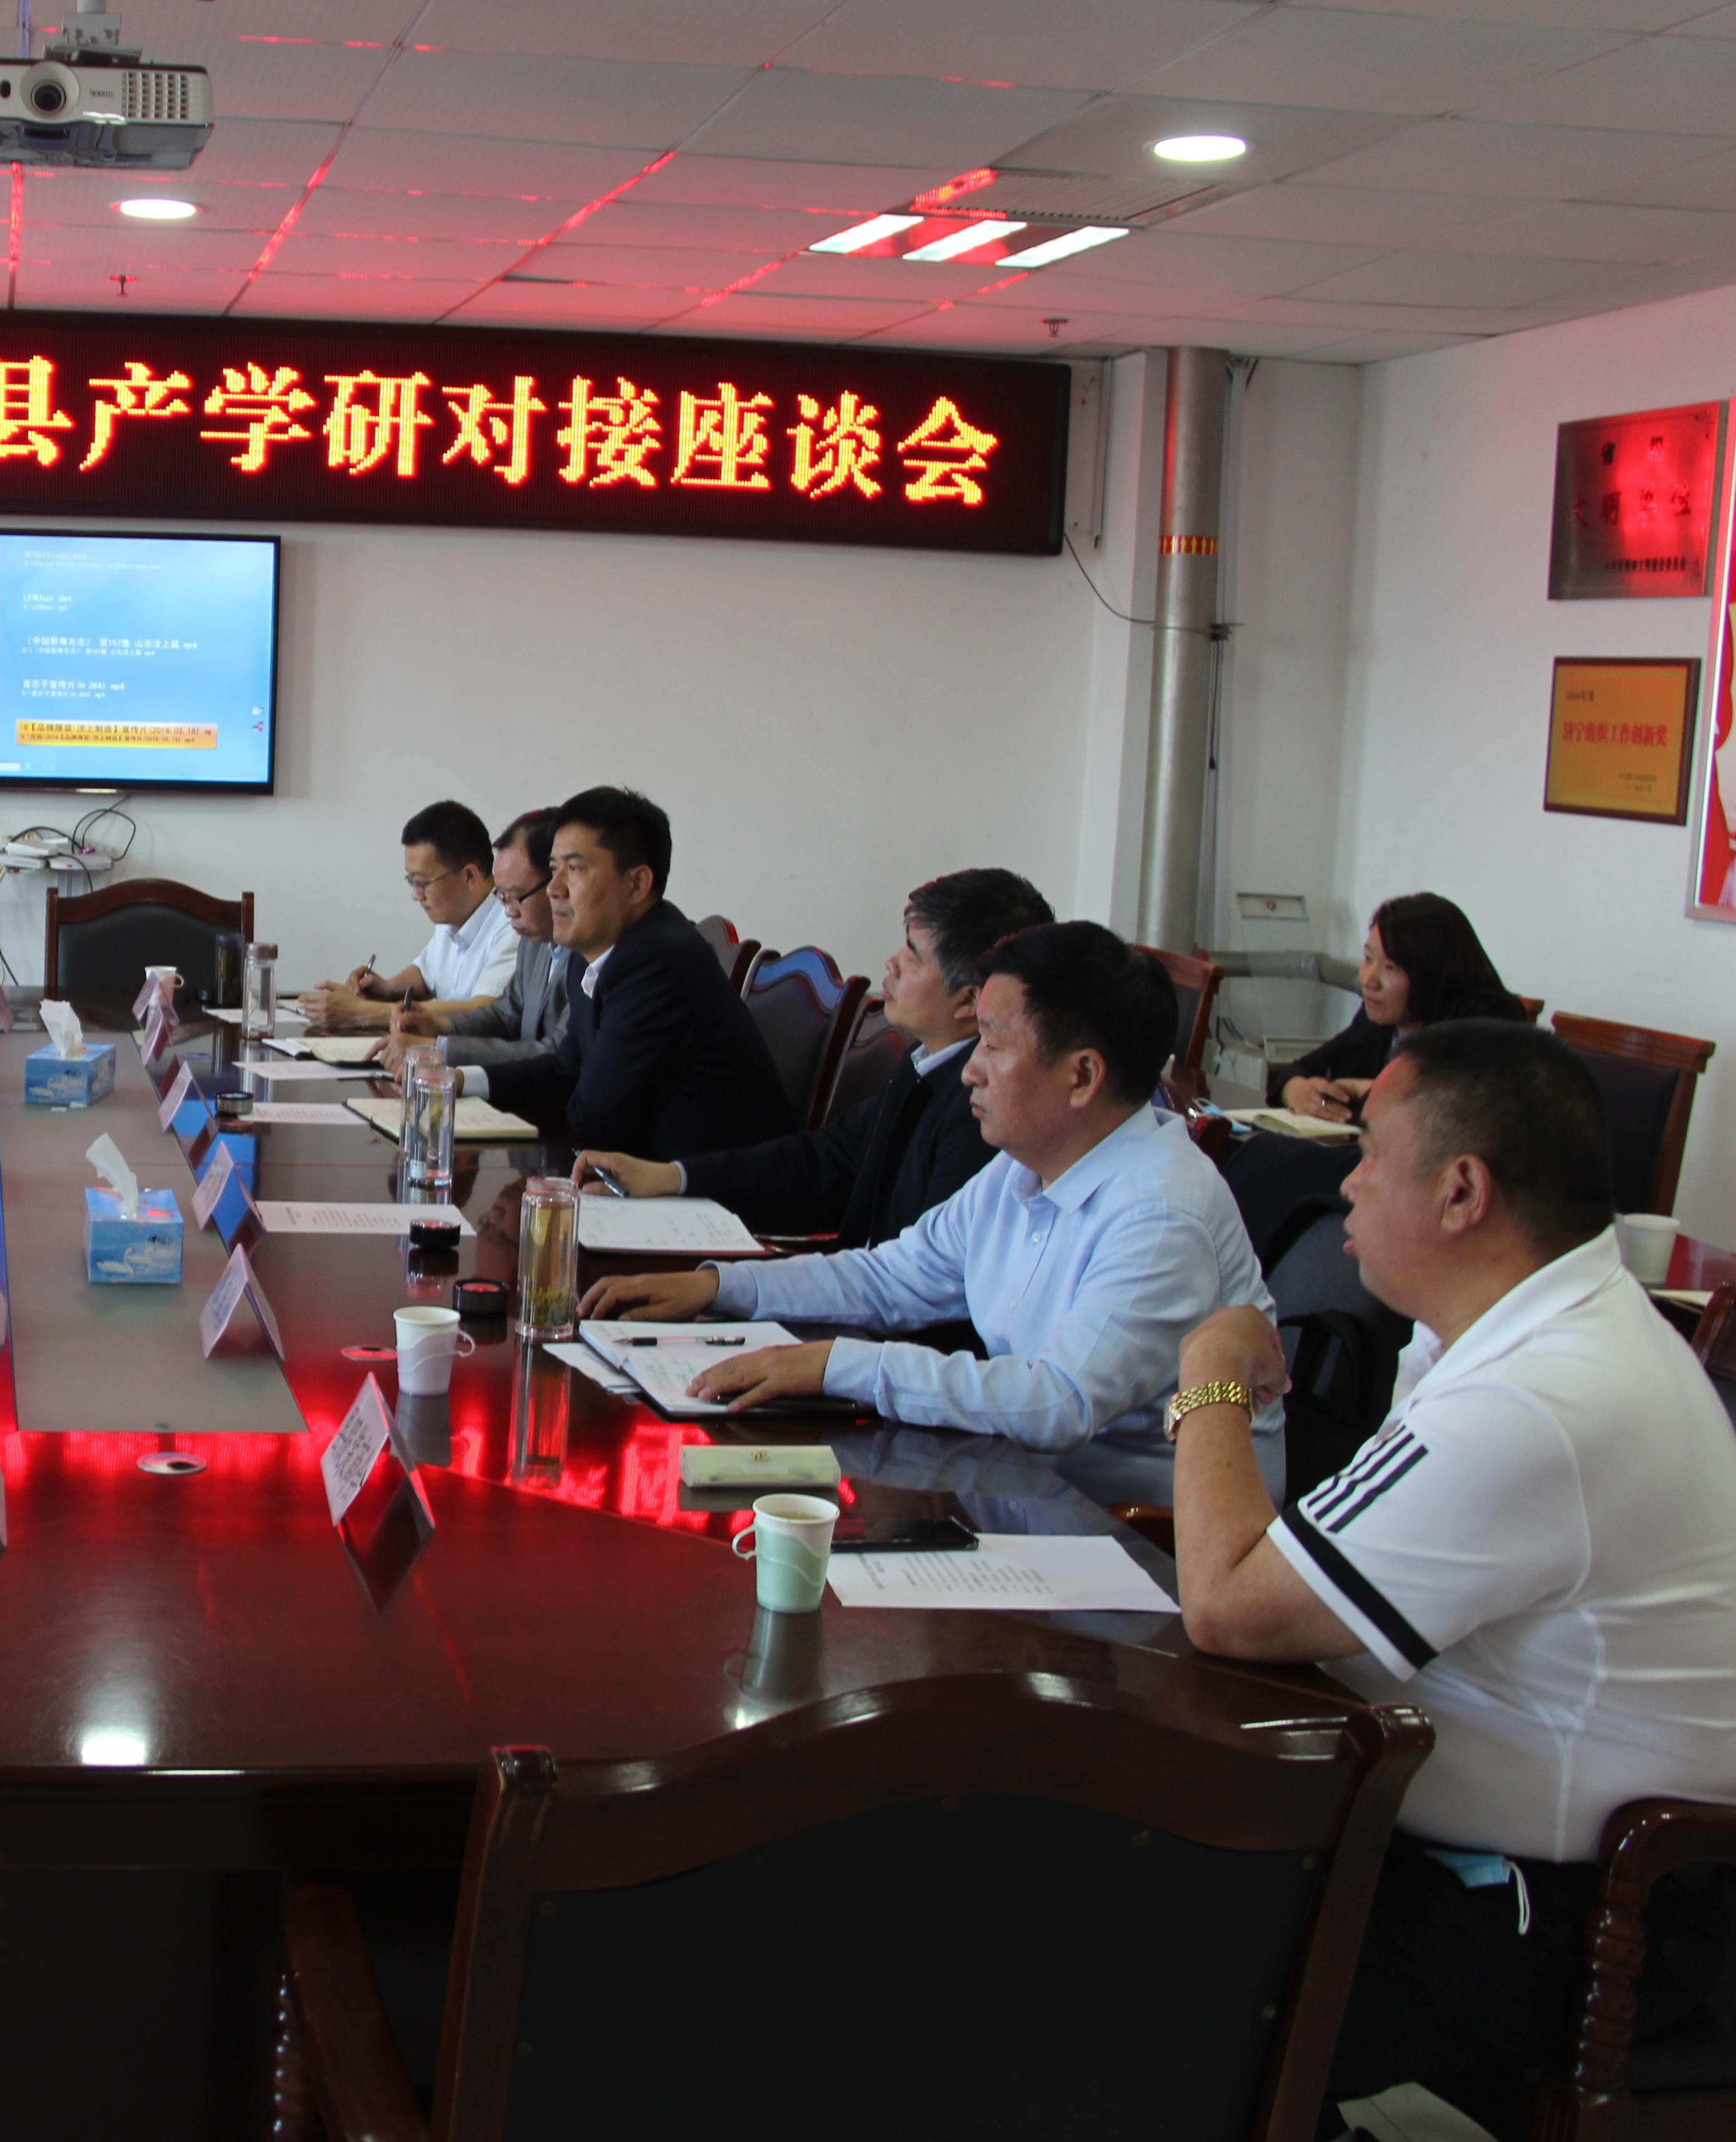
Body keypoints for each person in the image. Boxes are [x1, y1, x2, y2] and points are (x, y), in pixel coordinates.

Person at [1167, 1022, 1736, 2136]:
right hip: (1491, 1850)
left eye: (1371, 1150)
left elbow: (1231, 1604)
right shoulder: (1507, 1333)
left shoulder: (1542, 1396)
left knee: (1156, 1982)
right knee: (1128, 1886)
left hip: (1601, 1907)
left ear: (1463, 1190)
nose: (1350, 1179)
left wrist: (1211, 1374)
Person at [578, 921, 1280, 1507]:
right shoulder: (1027, 1163)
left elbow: (1058, 1402)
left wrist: (834, 1365)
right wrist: (718, 1285)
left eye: (994, 1045)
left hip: (1133, 1539)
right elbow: (890, 1277)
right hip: (1013, 1483)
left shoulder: (1159, 1214)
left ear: (1082, 1075)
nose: (969, 1068)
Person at [579, 867, 1053, 1247]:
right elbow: (823, 1161)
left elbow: (917, 1282)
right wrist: (672, 1177)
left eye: (913, 955)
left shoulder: (980, 1109)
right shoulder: (925, 1062)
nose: (891, 963)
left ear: (970, 1002)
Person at [463, 784, 792, 1159]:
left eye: (574, 868)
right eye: (554, 869)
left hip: (716, 1185)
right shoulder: (594, 953)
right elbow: (566, 1070)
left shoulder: (657, 962)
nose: (553, 888)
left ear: (637, 884)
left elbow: (596, 1120)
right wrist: (460, 1080)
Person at [1274, 893, 1528, 1122]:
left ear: (1432, 973)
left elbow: (1445, 1112)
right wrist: (1296, 1090)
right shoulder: (1381, 1018)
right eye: (1368, 959)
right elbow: (1300, 1069)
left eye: (1391, 967)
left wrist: (1362, 1090)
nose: (1369, 981)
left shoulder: (1486, 1024)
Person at [379, 809, 571, 1070]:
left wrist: (438, 1048)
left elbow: (560, 1054)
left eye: (515, 896)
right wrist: (439, 1026)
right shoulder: (535, 942)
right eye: (502, 896)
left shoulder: (587, 955)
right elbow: (506, 1014)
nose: (508, 911)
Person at [303, 800, 519, 1031]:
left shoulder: (513, 923)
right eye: (412, 882)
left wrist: (361, 1013)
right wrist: (387, 989)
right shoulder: (453, 915)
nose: (416, 895)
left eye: (422, 883)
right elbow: (427, 975)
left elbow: (485, 1011)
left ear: (469, 876)